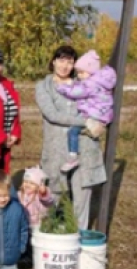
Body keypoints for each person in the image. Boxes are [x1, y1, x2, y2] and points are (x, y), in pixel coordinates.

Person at [35, 45, 107, 230]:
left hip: (84, 148)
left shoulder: (85, 84)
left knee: (82, 197)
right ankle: (47, 237)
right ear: (53, 61)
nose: (65, 66)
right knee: (52, 195)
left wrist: (98, 122)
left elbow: (100, 105)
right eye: (61, 60)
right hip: (56, 150)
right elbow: (52, 115)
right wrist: (86, 122)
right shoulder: (43, 87)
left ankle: (79, 239)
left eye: (70, 61)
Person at [54, 49, 117, 172]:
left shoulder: (91, 84)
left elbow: (76, 92)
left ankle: (73, 157)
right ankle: (95, 127)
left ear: (90, 71)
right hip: (102, 114)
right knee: (79, 130)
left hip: (94, 115)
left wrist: (62, 88)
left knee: (72, 131)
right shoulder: (100, 82)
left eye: (81, 73)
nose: (79, 75)